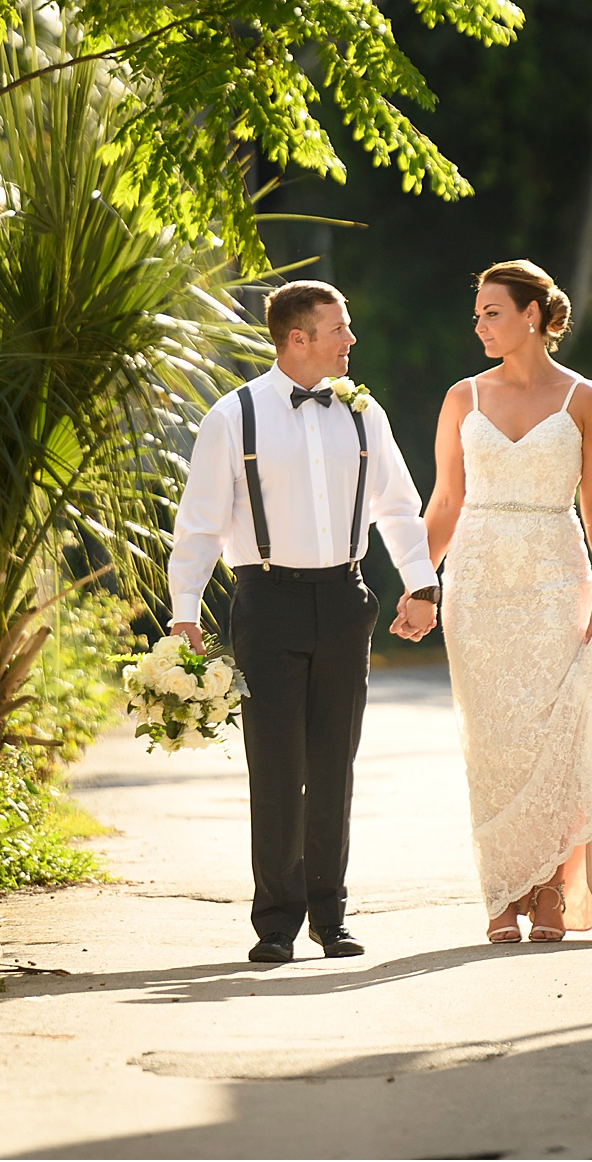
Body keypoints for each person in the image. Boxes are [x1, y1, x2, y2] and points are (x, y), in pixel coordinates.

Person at [169, 280, 439, 964]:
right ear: (299, 338)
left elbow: (398, 508)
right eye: (339, 329)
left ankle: (331, 917)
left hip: (346, 602)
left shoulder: (363, 412)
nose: (351, 339)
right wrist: (184, 613)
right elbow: (198, 526)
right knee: (276, 764)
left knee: (334, 765)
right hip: (265, 603)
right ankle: (277, 923)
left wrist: (422, 584)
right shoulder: (233, 419)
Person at [398, 258, 592, 942]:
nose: (481, 324)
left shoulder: (587, 400)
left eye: (493, 312)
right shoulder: (464, 398)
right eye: (478, 314)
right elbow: (448, 502)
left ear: (532, 316)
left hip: (556, 580)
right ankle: (500, 892)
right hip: (479, 587)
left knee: (559, 740)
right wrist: (416, 584)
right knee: (492, 746)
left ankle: (550, 893)